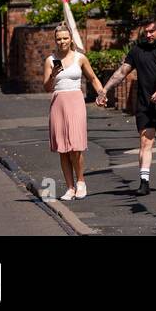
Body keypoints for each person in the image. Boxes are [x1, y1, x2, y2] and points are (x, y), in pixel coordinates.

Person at [98, 18, 156, 196]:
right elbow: (121, 72)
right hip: (146, 105)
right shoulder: (138, 50)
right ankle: (144, 181)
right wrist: (104, 90)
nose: (148, 35)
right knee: (146, 141)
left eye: (151, 31)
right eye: (145, 32)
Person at [44, 24, 104, 201]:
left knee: (76, 146)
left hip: (76, 101)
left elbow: (93, 78)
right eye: (59, 39)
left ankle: (81, 182)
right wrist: (53, 74)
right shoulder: (50, 60)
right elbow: (47, 87)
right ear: (55, 40)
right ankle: (69, 187)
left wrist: (101, 93)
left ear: (70, 39)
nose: (62, 41)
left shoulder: (80, 58)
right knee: (63, 148)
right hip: (58, 103)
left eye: (65, 38)